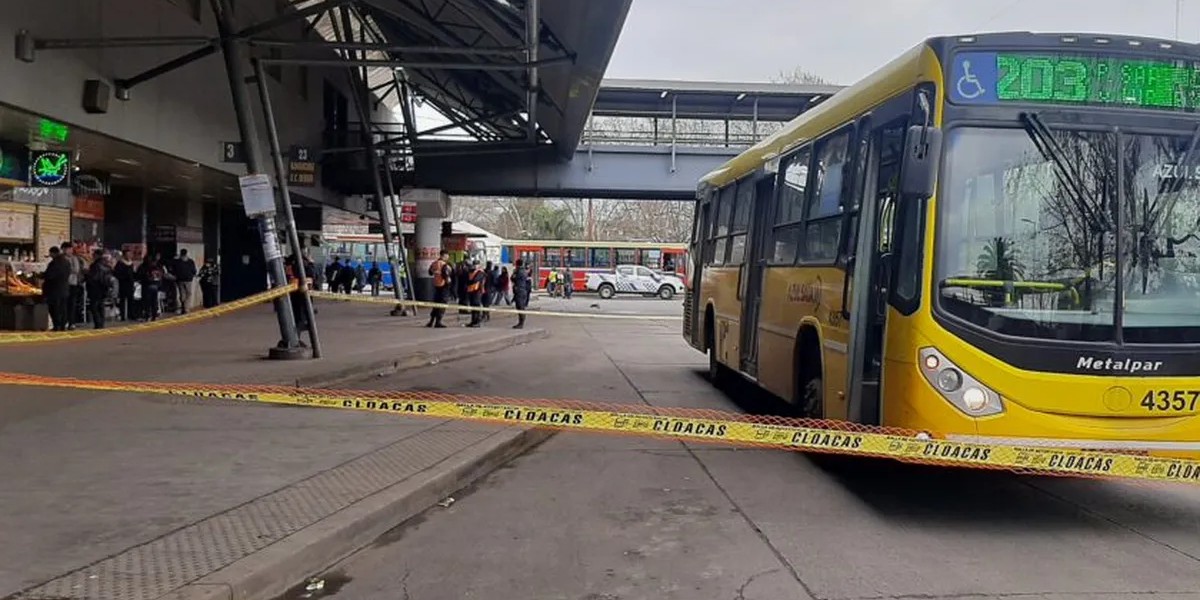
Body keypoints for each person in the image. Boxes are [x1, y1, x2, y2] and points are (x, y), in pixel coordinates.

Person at [42, 246, 71, 331]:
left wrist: (40, 275)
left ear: (53, 253)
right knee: (63, 308)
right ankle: (62, 325)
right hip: (64, 289)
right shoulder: (66, 262)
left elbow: (50, 275)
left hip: (54, 290)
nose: (50, 255)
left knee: (55, 309)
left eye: (50, 253)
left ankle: (56, 326)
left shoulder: (54, 263)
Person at [85, 248, 113, 329]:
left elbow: (94, 278)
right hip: (104, 288)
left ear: (97, 255)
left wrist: (86, 275)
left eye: (94, 255)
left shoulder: (95, 265)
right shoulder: (107, 265)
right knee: (101, 305)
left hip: (95, 289)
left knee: (94, 306)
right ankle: (102, 323)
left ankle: (98, 323)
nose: (93, 256)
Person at [426, 250, 452, 328]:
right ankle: (438, 322)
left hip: (436, 286)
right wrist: (449, 282)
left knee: (436, 304)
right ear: (444, 255)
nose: (448, 257)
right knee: (442, 304)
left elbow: (430, 272)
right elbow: (446, 275)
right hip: (444, 286)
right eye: (447, 255)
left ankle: (431, 321)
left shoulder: (434, 263)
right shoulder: (444, 265)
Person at [62, 243, 84, 328]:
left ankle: (71, 322)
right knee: (64, 304)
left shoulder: (74, 258)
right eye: (66, 249)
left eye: (69, 249)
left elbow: (76, 270)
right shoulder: (62, 258)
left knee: (72, 304)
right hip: (64, 284)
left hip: (73, 284)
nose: (68, 251)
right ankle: (64, 321)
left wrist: (66, 269)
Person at [113, 250, 136, 321]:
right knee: (122, 300)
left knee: (131, 300)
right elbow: (116, 273)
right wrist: (124, 277)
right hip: (123, 284)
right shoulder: (120, 263)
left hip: (130, 284)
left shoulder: (131, 263)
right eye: (127, 254)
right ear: (124, 255)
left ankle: (131, 314)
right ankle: (122, 315)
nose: (129, 256)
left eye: (130, 254)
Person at [174, 248, 197, 314]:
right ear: (186, 254)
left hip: (180, 279)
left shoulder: (177, 261)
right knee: (189, 293)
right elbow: (194, 270)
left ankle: (183, 307)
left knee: (182, 294)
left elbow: (173, 269)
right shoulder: (190, 261)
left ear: (180, 254)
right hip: (188, 279)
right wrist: (193, 274)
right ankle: (186, 308)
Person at [511, 259, 532, 329]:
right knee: (521, 306)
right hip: (523, 290)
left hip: (519, 290)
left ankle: (521, 323)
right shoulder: (524, 271)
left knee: (520, 307)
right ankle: (521, 322)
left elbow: (513, 278)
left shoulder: (518, 271)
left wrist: (514, 273)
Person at [465, 260, 486, 328]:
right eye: (474, 264)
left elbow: (475, 280)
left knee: (476, 306)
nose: (474, 266)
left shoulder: (480, 272)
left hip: (477, 291)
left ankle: (477, 321)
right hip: (471, 291)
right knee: (473, 306)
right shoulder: (472, 271)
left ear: (479, 265)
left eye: (476, 264)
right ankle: (473, 321)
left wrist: (469, 282)